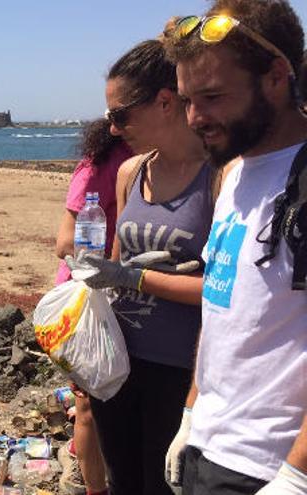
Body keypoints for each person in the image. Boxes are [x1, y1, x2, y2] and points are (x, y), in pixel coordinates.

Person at [161, 1, 307, 493]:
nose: (195, 117)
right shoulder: (232, 172)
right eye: (186, 99)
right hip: (207, 447)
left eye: (213, 96)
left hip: (270, 465)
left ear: (276, 77)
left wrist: (296, 474)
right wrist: (189, 413)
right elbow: (221, 305)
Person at [66, 39, 214, 495]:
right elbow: (112, 265)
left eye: (121, 115)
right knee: (123, 481)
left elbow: (224, 291)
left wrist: (135, 278)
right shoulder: (132, 171)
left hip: (178, 369)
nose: (112, 129)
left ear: (165, 102)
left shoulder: (220, 174)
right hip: (119, 363)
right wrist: (83, 332)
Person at [54, 119, 132, 495]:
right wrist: (111, 270)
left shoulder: (158, 159)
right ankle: (91, 487)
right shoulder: (102, 163)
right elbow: (65, 243)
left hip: (124, 300)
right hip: (89, 305)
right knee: (88, 407)